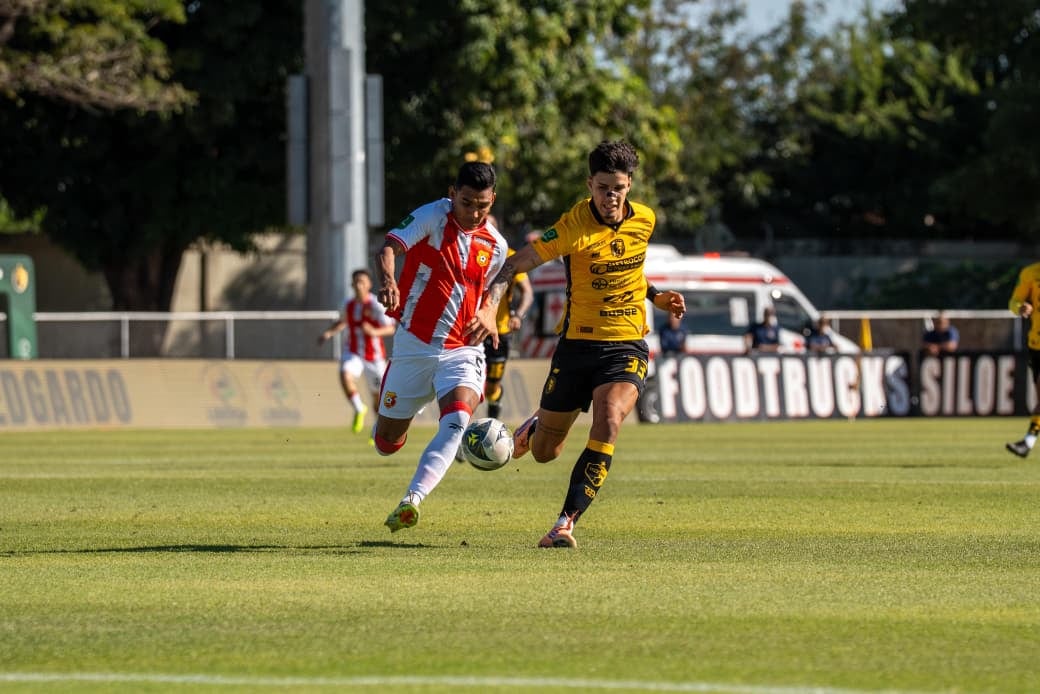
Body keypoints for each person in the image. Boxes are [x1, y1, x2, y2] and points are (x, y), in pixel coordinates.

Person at [476, 140, 686, 549]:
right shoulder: (572, 227)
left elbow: (633, 273)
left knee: (609, 419)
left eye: (619, 188)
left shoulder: (644, 219)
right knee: (544, 453)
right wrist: (490, 305)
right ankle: (537, 425)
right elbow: (517, 263)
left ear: (630, 185)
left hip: (626, 345)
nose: (611, 197)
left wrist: (656, 296)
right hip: (576, 348)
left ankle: (564, 523)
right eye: (603, 187)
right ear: (590, 183)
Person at [373, 161, 509, 532]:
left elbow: (497, 285)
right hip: (414, 344)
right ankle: (398, 416)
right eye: (467, 203)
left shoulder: (496, 245)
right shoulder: (432, 217)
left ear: (492, 199)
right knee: (385, 442)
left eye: (482, 205)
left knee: (457, 419)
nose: (474, 212)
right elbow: (388, 247)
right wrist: (388, 281)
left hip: (463, 348)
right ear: (453, 195)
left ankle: (411, 500)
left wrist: (490, 311)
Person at [317, 268, 396, 434]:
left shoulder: (376, 305)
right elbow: (343, 321)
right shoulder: (348, 304)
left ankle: (377, 432)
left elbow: (390, 329)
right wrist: (329, 333)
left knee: (378, 398)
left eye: (362, 282)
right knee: (345, 374)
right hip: (353, 353)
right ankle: (359, 408)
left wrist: (374, 332)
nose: (359, 285)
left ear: (369, 285)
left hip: (374, 357)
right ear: (352, 284)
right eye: (356, 282)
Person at [482, 215, 533, 420]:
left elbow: (527, 292)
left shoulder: (511, 257)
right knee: (467, 382)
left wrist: (518, 315)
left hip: (500, 331)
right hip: (472, 328)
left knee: (491, 386)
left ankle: (492, 420)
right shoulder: (467, 253)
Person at [1006, 263, 1040, 458]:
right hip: (1036, 344)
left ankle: (1028, 442)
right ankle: (1027, 442)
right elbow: (1014, 301)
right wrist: (1020, 308)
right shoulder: (1030, 272)